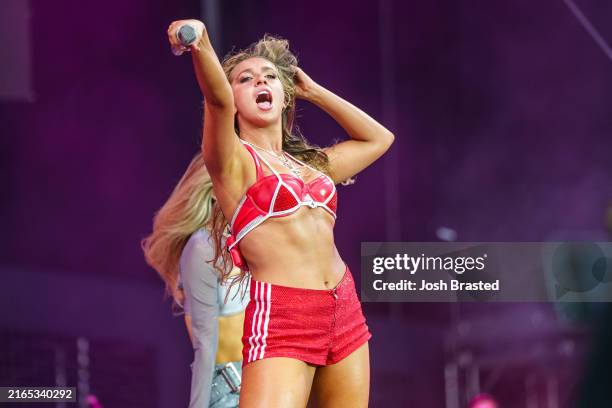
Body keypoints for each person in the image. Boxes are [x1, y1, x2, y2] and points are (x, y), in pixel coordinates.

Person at [167, 19, 394, 407]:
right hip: (284, 315)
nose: (260, 82)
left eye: (270, 76)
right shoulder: (233, 162)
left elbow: (379, 138)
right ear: (234, 98)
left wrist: (314, 92)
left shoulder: (311, 168)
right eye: (245, 79)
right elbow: (216, 100)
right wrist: (199, 39)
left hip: (344, 308)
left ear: (284, 94)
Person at [142, 153, 249, 407]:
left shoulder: (254, 243)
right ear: (215, 191)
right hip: (232, 392)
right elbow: (204, 347)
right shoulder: (203, 248)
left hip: (271, 385)